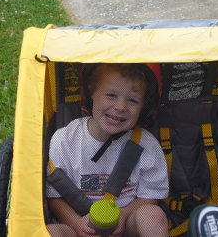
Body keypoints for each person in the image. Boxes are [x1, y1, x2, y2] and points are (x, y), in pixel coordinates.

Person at [46, 63, 169, 237]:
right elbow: (53, 196)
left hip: (126, 225)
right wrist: (75, 223)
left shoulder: (146, 145)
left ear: (144, 107)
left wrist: (124, 214)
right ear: (92, 93)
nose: (120, 106)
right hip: (76, 225)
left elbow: (149, 196)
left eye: (132, 100)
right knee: (50, 232)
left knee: (153, 216)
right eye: (111, 95)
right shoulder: (65, 140)